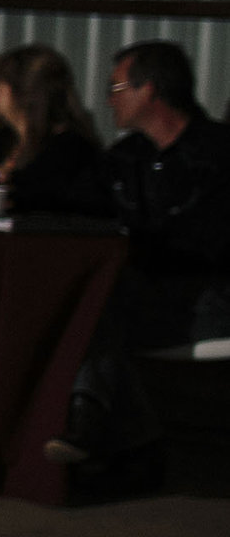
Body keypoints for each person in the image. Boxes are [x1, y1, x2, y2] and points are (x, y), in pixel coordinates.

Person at [46, 41, 230, 465]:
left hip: (210, 296)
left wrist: (138, 245)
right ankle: (103, 428)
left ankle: (100, 425)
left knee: (104, 299)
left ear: (148, 90)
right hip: (147, 296)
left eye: (116, 88)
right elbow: (71, 202)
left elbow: (208, 241)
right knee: (94, 296)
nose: (108, 101)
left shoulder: (218, 154)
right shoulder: (126, 159)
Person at [0, 44, 108, 219]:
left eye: (1, 83)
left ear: (23, 91)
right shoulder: (6, 138)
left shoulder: (70, 145)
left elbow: (30, 188)